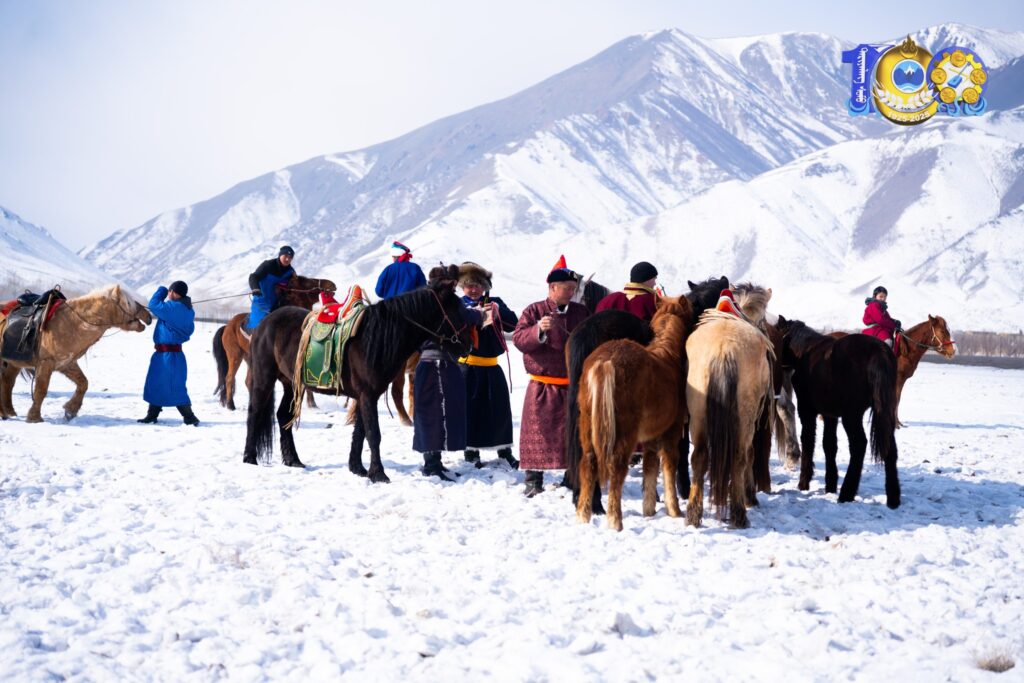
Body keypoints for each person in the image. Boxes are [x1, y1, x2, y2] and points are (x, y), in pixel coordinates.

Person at [513, 256, 590, 497]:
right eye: (567, 288)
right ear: (553, 287)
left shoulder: (582, 312)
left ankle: (572, 478)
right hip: (543, 386)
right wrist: (538, 330)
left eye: (573, 288)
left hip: (574, 386)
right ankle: (533, 480)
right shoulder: (534, 310)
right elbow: (519, 339)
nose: (571, 292)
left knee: (574, 433)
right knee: (537, 434)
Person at [413, 265, 488, 480]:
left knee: (435, 413)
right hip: (437, 361)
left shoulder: (421, 301)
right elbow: (467, 316)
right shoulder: (446, 301)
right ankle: (431, 464)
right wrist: (481, 314)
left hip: (433, 362)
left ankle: (434, 460)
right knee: (433, 413)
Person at [457, 262, 519, 469]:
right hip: (467, 367)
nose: (474, 289)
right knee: (470, 410)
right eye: (469, 285)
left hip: (492, 366)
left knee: (499, 409)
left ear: (485, 287)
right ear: (462, 287)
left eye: (478, 285)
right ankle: (471, 450)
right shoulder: (457, 305)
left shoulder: (495, 302)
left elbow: (513, 324)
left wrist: (498, 311)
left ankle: (504, 450)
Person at [138, 281, 199, 425]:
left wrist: (162, 290)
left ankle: (189, 417)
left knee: (174, 386)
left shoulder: (174, 307)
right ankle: (152, 415)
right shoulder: (188, 310)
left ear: (173, 292)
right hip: (171, 355)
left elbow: (153, 304)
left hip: (168, 356)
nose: (169, 294)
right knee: (158, 383)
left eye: (170, 291)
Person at [247, 246, 296, 329]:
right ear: (280, 255)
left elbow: (294, 287)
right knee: (258, 326)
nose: (287, 259)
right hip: (262, 301)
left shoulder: (290, 272)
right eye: (285, 256)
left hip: (278, 304)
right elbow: (254, 277)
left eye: (290, 258)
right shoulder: (268, 265)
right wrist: (255, 289)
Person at [594, 261, 659, 320]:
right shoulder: (652, 301)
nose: (655, 283)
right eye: (654, 279)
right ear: (646, 279)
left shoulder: (608, 300)